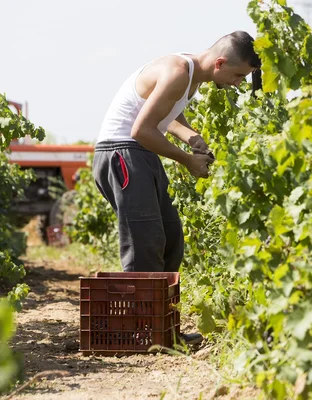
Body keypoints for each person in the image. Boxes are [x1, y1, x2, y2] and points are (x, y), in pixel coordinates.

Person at [92, 31, 260, 344]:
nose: (238, 83)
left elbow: (166, 115)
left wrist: (192, 138)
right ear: (220, 63)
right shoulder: (178, 72)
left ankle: (161, 330)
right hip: (123, 152)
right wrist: (187, 160)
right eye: (239, 75)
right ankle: (142, 335)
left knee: (170, 240)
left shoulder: (191, 77)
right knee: (146, 243)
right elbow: (141, 129)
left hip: (139, 154)